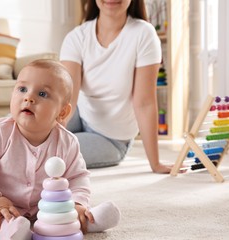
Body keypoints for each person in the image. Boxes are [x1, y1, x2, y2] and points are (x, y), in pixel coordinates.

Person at [0, 59, 120, 240]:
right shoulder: (0, 132)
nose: (29, 98)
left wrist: (77, 204)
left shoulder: (67, 142)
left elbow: (78, 177)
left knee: (64, 209)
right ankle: (10, 230)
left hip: (41, 205)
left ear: (62, 112)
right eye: (22, 89)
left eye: (43, 94)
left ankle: (85, 220)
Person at [60, 0, 182, 173]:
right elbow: (67, 97)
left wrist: (155, 163)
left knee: (57, 155)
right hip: (80, 113)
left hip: (112, 138)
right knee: (25, 122)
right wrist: (41, 133)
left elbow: (144, 103)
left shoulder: (143, 34)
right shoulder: (77, 36)